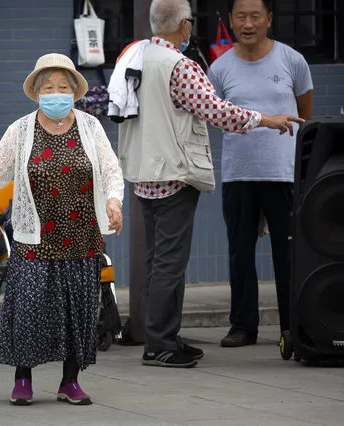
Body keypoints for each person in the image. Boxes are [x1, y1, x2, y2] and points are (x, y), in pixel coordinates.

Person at [117, 0, 304, 368]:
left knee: (158, 260)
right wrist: (265, 119)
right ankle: (159, 345)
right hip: (173, 173)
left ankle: (166, 336)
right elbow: (217, 110)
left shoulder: (133, 57)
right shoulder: (180, 66)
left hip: (143, 173)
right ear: (184, 25)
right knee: (171, 263)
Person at [0, 53, 125, 406]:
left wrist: (114, 202)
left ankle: (70, 381)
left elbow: (111, 170)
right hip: (34, 238)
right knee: (29, 308)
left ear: (74, 92)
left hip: (82, 237)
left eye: (63, 87)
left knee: (78, 311)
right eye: (49, 87)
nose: (57, 93)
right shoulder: (20, 131)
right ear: (37, 93)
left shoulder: (90, 127)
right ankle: (23, 378)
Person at [208, 0, 313, 348]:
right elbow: (217, 116)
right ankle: (242, 326)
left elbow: (304, 114)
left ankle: (293, 324)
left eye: (256, 16)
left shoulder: (292, 60)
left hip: (283, 174)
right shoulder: (220, 68)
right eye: (241, 16)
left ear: (269, 19)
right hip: (238, 174)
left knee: (289, 253)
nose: (248, 23)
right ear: (231, 21)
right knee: (240, 251)